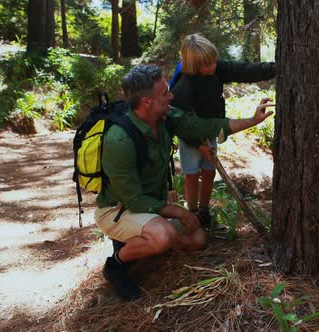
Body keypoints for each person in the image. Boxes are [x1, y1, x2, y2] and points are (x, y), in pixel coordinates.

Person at [96, 64, 274, 301]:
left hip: (150, 208)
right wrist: (179, 212)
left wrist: (252, 120)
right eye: (165, 93)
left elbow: (206, 126)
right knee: (164, 236)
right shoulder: (119, 140)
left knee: (197, 239)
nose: (172, 96)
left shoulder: (165, 117)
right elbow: (134, 199)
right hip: (118, 210)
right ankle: (116, 265)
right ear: (147, 102)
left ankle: (141, 244)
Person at [170, 33, 276, 227]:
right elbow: (179, 124)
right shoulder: (184, 87)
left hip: (212, 129)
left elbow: (243, 70)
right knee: (192, 173)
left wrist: (273, 69)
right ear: (195, 67)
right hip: (190, 136)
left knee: (209, 170)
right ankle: (192, 214)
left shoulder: (216, 68)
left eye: (214, 60)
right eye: (208, 64)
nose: (214, 66)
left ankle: (204, 212)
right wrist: (199, 145)